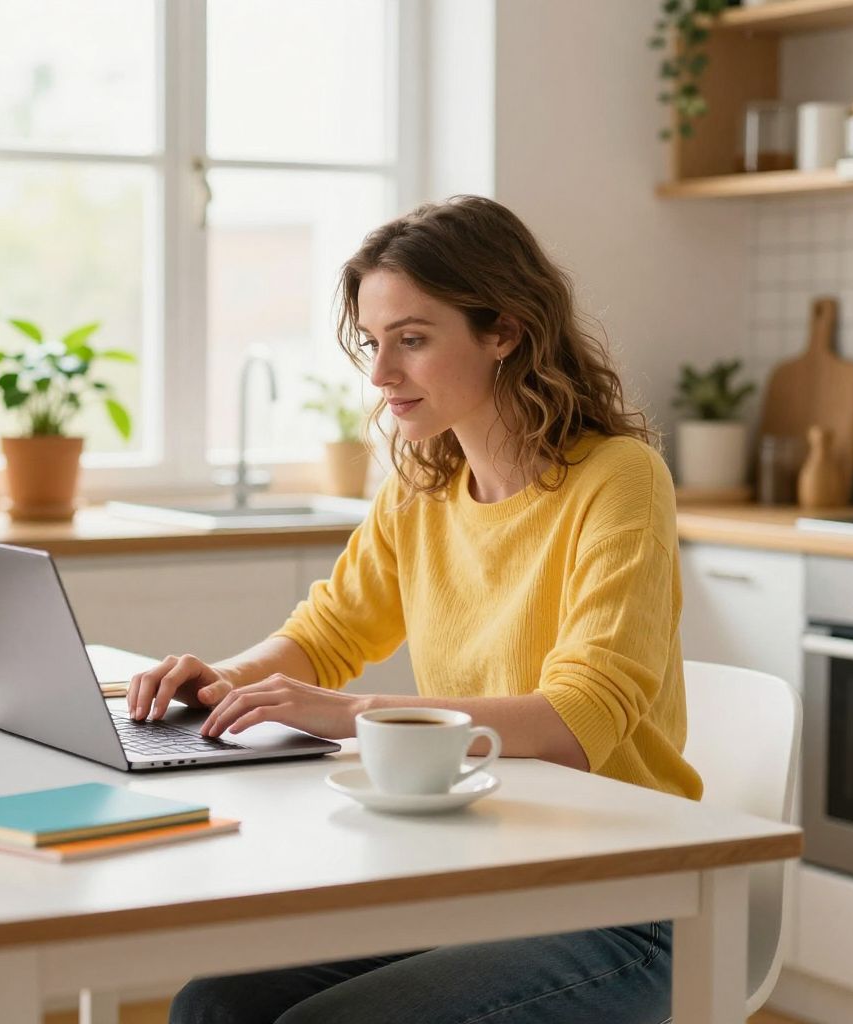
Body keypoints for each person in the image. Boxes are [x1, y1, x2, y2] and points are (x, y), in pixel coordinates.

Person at [127, 194, 701, 1024]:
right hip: (472, 872)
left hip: (625, 897)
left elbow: (579, 722)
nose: (381, 375)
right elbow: (327, 634)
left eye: (413, 340)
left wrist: (351, 714)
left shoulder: (619, 480)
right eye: (373, 342)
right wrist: (224, 681)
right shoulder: (423, 490)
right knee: (213, 1007)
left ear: (503, 329)